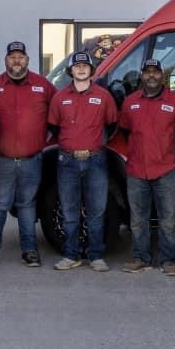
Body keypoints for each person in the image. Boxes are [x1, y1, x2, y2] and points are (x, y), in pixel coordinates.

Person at [0, 41, 55, 268]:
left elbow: (58, 115)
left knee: (27, 205)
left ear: (27, 60)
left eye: (20, 57)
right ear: (6, 60)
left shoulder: (43, 86)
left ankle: (30, 250)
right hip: (1, 160)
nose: (16, 61)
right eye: (12, 56)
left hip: (32, 160)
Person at [118, 58, 175, 276]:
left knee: (167, 220)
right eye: (147, 72)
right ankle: (141, 258)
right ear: (142, 75)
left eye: (156, 72)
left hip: (166, 170)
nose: (152, 76)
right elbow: (124, 131)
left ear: (163, 75)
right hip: (137, 170)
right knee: (138, 220)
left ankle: (168, 260)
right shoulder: (130, 102)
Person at [47, 51, 118, 272]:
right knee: (69, 211)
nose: (81, 69)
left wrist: (93, 142)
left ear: (91, 70)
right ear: (70, 71)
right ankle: (71, 255)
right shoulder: (59, 97)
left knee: (97, 210)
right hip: (67, 161)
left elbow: (112, 124)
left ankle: (96, 255)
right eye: (76, 66)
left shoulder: (103, 96)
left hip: (95, 160)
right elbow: (53, 127)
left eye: (85, 66)